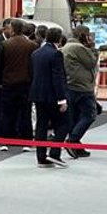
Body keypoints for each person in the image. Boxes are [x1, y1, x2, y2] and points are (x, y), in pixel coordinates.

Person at [29, 26, 70, 168]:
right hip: (52, 96)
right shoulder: (56, 54)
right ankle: (54, 153)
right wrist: (62, 99)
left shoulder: (36, 53)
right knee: (64, 123)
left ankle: (41, 158)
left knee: (41, 125)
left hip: (38, 94)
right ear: (59, 39)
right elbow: (57, 78)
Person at [0, 18, 36, 155]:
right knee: (25, 114)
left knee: (6, 114)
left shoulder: (5, 44)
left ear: (12, 29)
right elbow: (33, 66)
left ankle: (3, 141)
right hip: (26, 84)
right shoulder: (32, 45)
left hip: (8, 83)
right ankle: (27, 142)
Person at [63, 25, 100, 158]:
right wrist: (93, 48)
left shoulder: (66, 47)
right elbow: (91, 62)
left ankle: (76, 145)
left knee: (75, 118)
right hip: (82, 87)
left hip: (70, 86)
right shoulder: (78, 48)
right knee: (90, 115)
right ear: (83, 36)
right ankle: (72, 140)